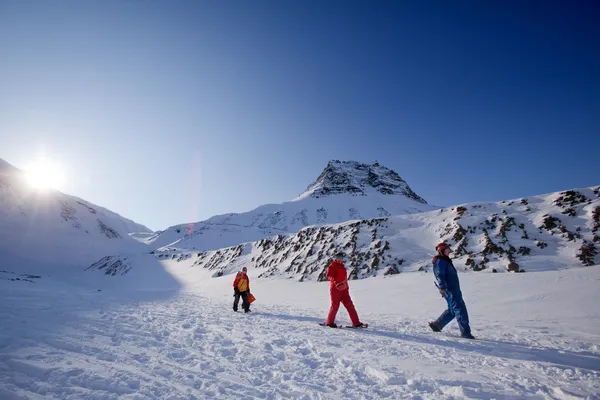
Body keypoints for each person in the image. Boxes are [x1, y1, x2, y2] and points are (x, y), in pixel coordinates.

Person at [428, 243, 475, 339]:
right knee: (460, 309)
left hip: (453, 289)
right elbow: (440, 274)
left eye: (448, 249)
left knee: (452, 310)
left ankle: (437, 325)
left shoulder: (445, 261)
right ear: (441, 251)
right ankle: (466, 333)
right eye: (446, 250)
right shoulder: (440, 261)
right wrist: (442, 287)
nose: (449, 251)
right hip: (450, 290)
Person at [323, 252, 366, 328]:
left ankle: (356, 323)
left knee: (350, 305)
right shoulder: (332, 266)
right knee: (335, 305)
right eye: (338, 257)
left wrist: (346, 287)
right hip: (335, 289)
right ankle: (329, 323)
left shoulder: (342, 266)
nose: (340, 259)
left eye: (341, 257)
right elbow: (329, 276)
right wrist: (335, 281)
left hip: (344, 289)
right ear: (335, 258)